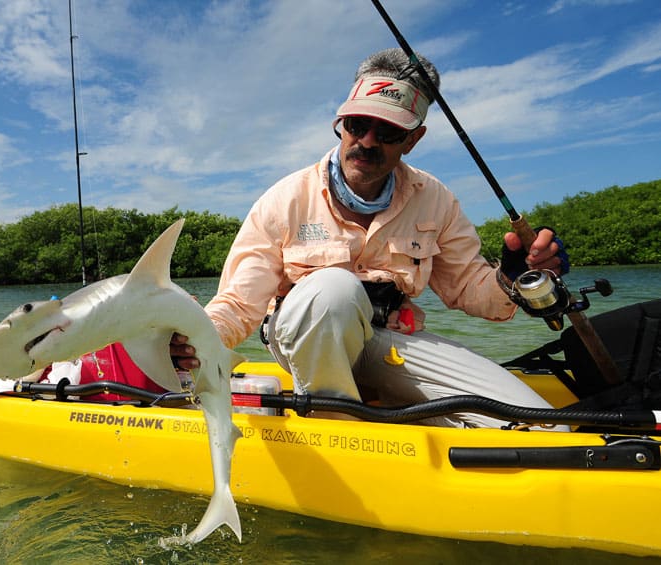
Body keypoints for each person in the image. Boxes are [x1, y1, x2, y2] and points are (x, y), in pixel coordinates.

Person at [171, 48, 569, 428]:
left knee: (541, 427)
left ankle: (404, 418)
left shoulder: (436, 200)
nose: (367, 142)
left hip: (393, 340)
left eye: (389, 131)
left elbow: (470, 290)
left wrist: (514, 276)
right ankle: (335, 421)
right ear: (342, 124)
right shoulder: (284, 199)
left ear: (413, 139)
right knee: (332, 289)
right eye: (358, 125)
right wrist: (192, 340)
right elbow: (240, 303)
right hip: (304, 344)